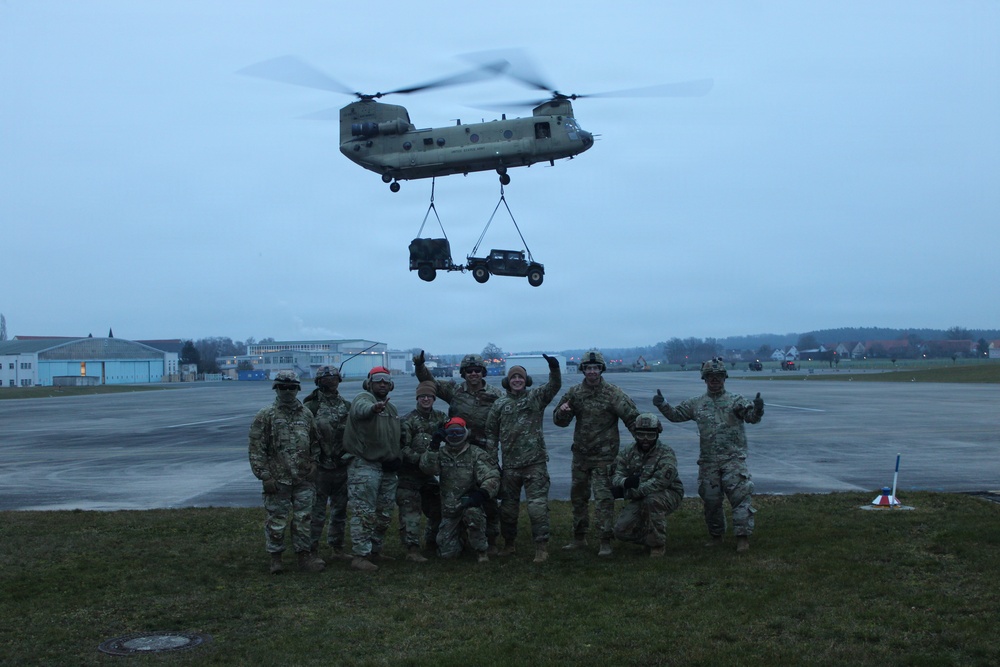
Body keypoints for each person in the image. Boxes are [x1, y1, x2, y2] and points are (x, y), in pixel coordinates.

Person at [654, 358, 764, 552]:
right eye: (710, 376)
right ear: (704, 379)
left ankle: (742, 537)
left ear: (724, 378)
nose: (714, 380)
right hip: (708, 461)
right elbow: (676, 415)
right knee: (711, 500)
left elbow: (751, 418)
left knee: (740, 497)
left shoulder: (736, 401)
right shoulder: (697, 403)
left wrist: (758, 409)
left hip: (732, 459)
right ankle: (716, 535)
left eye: (718, 376)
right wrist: (662, 404)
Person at [413, 351, 504, 554]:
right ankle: (453, 534)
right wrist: (420, 366)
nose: (473, 374)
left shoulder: (496, 395)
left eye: (477, 370)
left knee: (488, 496)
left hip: (484, 451)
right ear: (463, 373)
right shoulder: (454, 391)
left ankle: (491, 539)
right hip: (457, 450)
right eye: (469, 371)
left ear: (483, 372)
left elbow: (507, 416)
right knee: (454, 495)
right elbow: (430, 382)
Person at [553, 349, 639, 557]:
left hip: (604, 458)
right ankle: (579, 537)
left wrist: (644, 442)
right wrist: (563, 412)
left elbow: (632, 418)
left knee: (603, 499)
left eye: (596, 368)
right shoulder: (575, 393)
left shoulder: (613, 394)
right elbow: (559, 421)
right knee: (578, 498)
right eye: (588, 368)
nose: (592, 371)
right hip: (581, 457)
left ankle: (604, 540)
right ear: (583, 370)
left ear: (601, 369)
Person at [485, 355, 561, 563]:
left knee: (537, 508)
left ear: (526, 381)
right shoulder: (499, 405)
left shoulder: (535, 398)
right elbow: (491, 434)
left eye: (520, 377)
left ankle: (541, 547)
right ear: (508, 381)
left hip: (535, 465)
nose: (517, 380)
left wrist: (554, 368)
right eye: (513, 378)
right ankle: (509, 544)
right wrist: (492, 462)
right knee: (508, 510)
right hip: (510, 467)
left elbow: (554, 386)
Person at [248, 370, 325, 574]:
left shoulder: (306, 414)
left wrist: (314, 464)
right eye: (283, 387)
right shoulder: (265, 415)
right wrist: (264, 476)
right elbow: (256, 449)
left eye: (292, 387)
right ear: (276, 388)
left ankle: (304, 557)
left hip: (303, 478)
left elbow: (315, 442)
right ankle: (276, 558)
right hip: (277, 479)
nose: (288, 391)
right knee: (276, 520)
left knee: (304, 520)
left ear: (298, 389)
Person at [343, 366, 402, 571]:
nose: (382, 384)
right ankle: (360, 555)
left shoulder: (391, 409)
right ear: (369, 383)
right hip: (365, 466)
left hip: (386, 468)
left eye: (386, 380)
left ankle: (375, 550)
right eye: (378, 380)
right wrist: (373, 408)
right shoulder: (363, 399)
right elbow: (361, 409)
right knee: (364, 512)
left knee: (384, 513)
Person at [419, 417, 500, 563]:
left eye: (458, 431)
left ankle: (481, 551)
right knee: (447, 554)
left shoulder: (476, 453)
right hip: (449, 510)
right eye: (451, 432)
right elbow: (428, 469)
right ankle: (461, 538)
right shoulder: (440, 453)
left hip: (469, 504)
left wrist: (481, 494)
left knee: (474, 514)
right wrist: (433, 446)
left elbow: (492, 476)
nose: (455, 435)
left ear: (465, 433)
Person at [610, 413, 684, 557]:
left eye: (650, 435)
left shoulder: (666, 453)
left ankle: (657, 545)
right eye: (641, 434)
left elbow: (658, 484)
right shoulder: (628, 452)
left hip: (669, 492)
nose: (645, 439)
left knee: (652, 501)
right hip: (640, 495)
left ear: (657, 434)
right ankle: (648, 538)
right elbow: (615, 474)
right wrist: (624, 482)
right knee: (620, 530)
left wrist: (626, 492)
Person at [302, 365, 352, 562]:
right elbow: (305, 437)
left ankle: (337, 548)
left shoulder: (347, 406)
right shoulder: (310, 407)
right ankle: (311, 550)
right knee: (317, 512)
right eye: (326, 378)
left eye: (334, 378)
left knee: (340, 511)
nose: (330, 381)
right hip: (320, 468)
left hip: (342, 467)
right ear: (318, 382)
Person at [396, 381, 446, 562]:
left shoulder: (440, 417)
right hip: (409, 474)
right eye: (422, 396)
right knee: (411, 512)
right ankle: (412, 549)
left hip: (428, 475)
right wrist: (421, 460)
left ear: (434, 398)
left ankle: (432, 541)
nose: (426, 399)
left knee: (438, 507)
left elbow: (454, 432)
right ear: (417, 398)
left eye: (429, 396)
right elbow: (402, 448)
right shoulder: (407, 420)